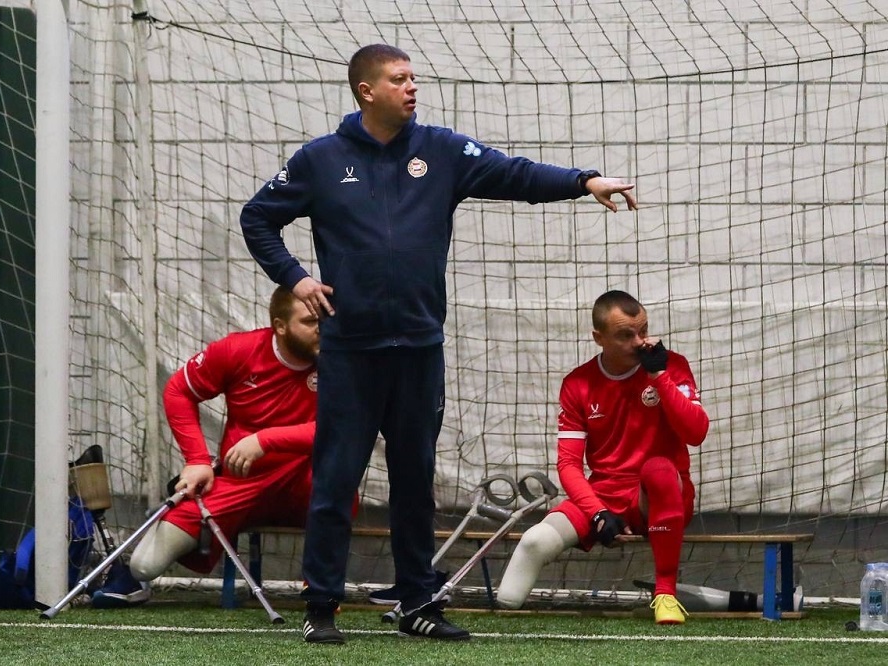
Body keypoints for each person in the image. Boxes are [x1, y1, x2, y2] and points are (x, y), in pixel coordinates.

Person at [239, 44, 638, 644]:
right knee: (336, 479)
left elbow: (515, 174)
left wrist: (584, 181)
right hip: (351, 352)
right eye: (399, 79)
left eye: (413, 78)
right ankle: (320, 605)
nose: (412, 87)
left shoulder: (442, 150)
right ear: (366, 91)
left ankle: (417, 602)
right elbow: (257, 218)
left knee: (414, 483)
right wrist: (295, 278)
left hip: (419, 350)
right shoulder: (320, 159)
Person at [90, 286, 321, 607]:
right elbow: (178, 391)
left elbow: (343, 428)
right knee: (144, 564)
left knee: (339, 486)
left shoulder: (342, 358)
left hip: (308, 478)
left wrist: (264, 440)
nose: (321, 329)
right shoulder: (238, 350)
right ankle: (135, 580)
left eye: (325, 320)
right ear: (280, 326)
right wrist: (197, 459)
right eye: (310, 321)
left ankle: (321, 588)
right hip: (242, 481)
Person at [495, 290, 709, 624]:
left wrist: (659, 377)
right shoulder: (578, 383)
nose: (640, 342)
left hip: (660, 493)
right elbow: (568, 465)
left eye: (643, 330)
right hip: (605, 495)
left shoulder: (671, 365)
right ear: (599, 338)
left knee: (659, 469)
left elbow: (696, 433)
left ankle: (666, 594)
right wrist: (597, 512)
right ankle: (502, 623)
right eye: (625, 335)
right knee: (536, 542)